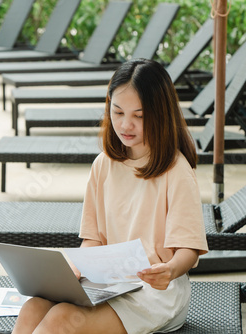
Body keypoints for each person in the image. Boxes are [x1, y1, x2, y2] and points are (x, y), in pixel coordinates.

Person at [12, 58, 209, 334]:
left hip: (155, 292)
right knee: (33, 307)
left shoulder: (177, 171)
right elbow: (93, 239)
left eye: (139, 116)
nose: (126, 125)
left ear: (160, 114)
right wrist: (74, 271)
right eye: (118, 113)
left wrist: (170, 269)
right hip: (107, 283)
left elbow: (188, 250)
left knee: (62, 320)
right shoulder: (103, 165)